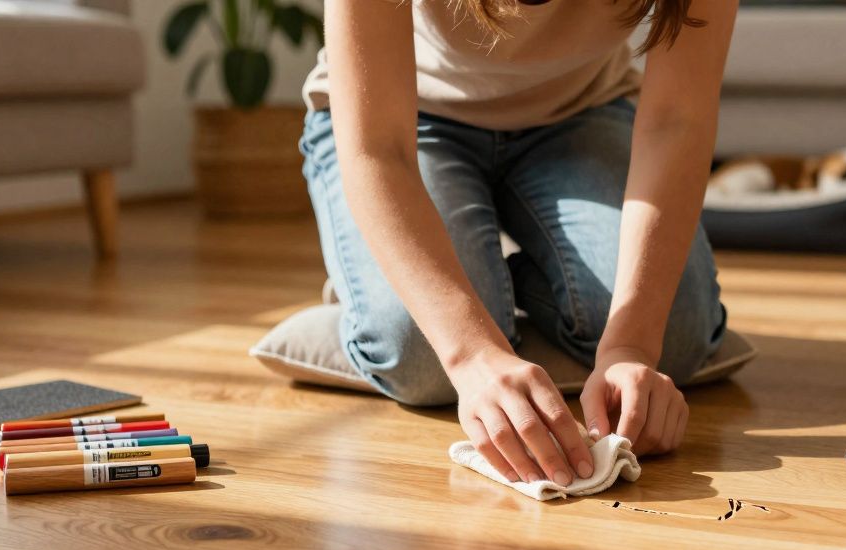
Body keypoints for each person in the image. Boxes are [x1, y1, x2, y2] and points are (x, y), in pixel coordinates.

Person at [300, 0, 735, 487]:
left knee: (674, 333)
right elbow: (378, 150)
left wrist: (631, 346)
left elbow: (679, 119)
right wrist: (470, 353)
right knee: (419, 355)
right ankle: (400, 275)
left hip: (581, 113)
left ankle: (481, 279)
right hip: (407, 122)